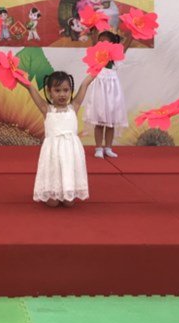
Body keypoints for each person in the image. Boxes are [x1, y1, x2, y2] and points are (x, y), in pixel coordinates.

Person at [22, 70, 95, 207]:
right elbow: (30, 87)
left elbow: (85, 83)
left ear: (70, 91)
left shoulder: (74, 107)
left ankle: (68, 190)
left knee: (69, 203)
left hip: (70, 152)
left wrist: (101, 65)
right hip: (53, 153)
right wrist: (15, 74)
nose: (62, 94)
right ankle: (53, 190)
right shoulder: (46, 109)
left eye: (66, 90)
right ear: (49, 92)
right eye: (57, 90)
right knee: (53, 203)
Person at [85, 30, 133, 158]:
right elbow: (94, 42)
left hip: (112, 92)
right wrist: (93, 29)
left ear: (112, 44)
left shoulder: (116, 58)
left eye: (104, 41)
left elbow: (125, 47)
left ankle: (108, 148)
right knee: (100, 121)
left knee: (111, 123)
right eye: (99, 41)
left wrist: (132, 34)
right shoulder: (97, 57)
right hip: (100, 92)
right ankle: (98, 148)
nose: (101, 43)